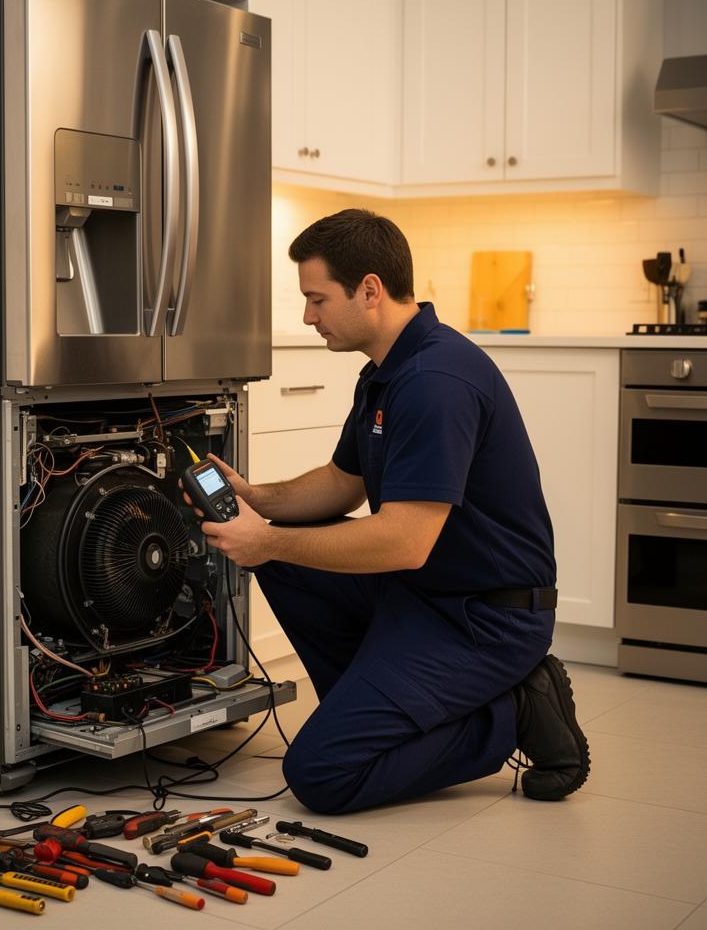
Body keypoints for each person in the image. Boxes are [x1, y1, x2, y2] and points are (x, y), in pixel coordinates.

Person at [196, 208, 590, 814]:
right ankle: (380, 709)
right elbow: (340, 483)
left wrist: (267, 542)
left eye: (317, 298)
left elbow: (405, 542)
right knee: (283, 553)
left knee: (322, 774)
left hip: (485, 619)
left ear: (370, 291)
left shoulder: (436, 379)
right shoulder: (386, 371)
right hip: (424, 594)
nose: (308, 316)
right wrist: (253, 499)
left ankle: (514, 709)